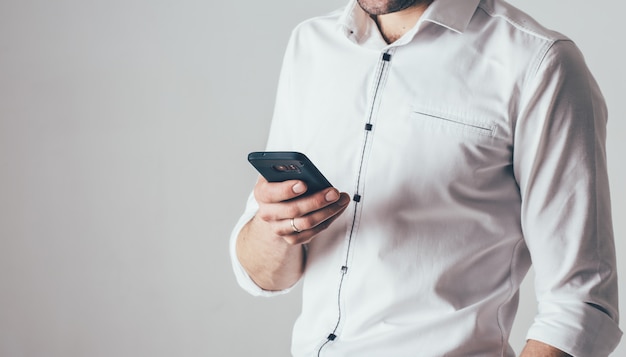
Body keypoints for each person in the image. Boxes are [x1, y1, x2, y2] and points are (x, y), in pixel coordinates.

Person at [230, 0, 622, 355]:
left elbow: (581, 304)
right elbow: (264, 275)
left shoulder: (538, 61)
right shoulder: (310, 44)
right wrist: (276, 228)